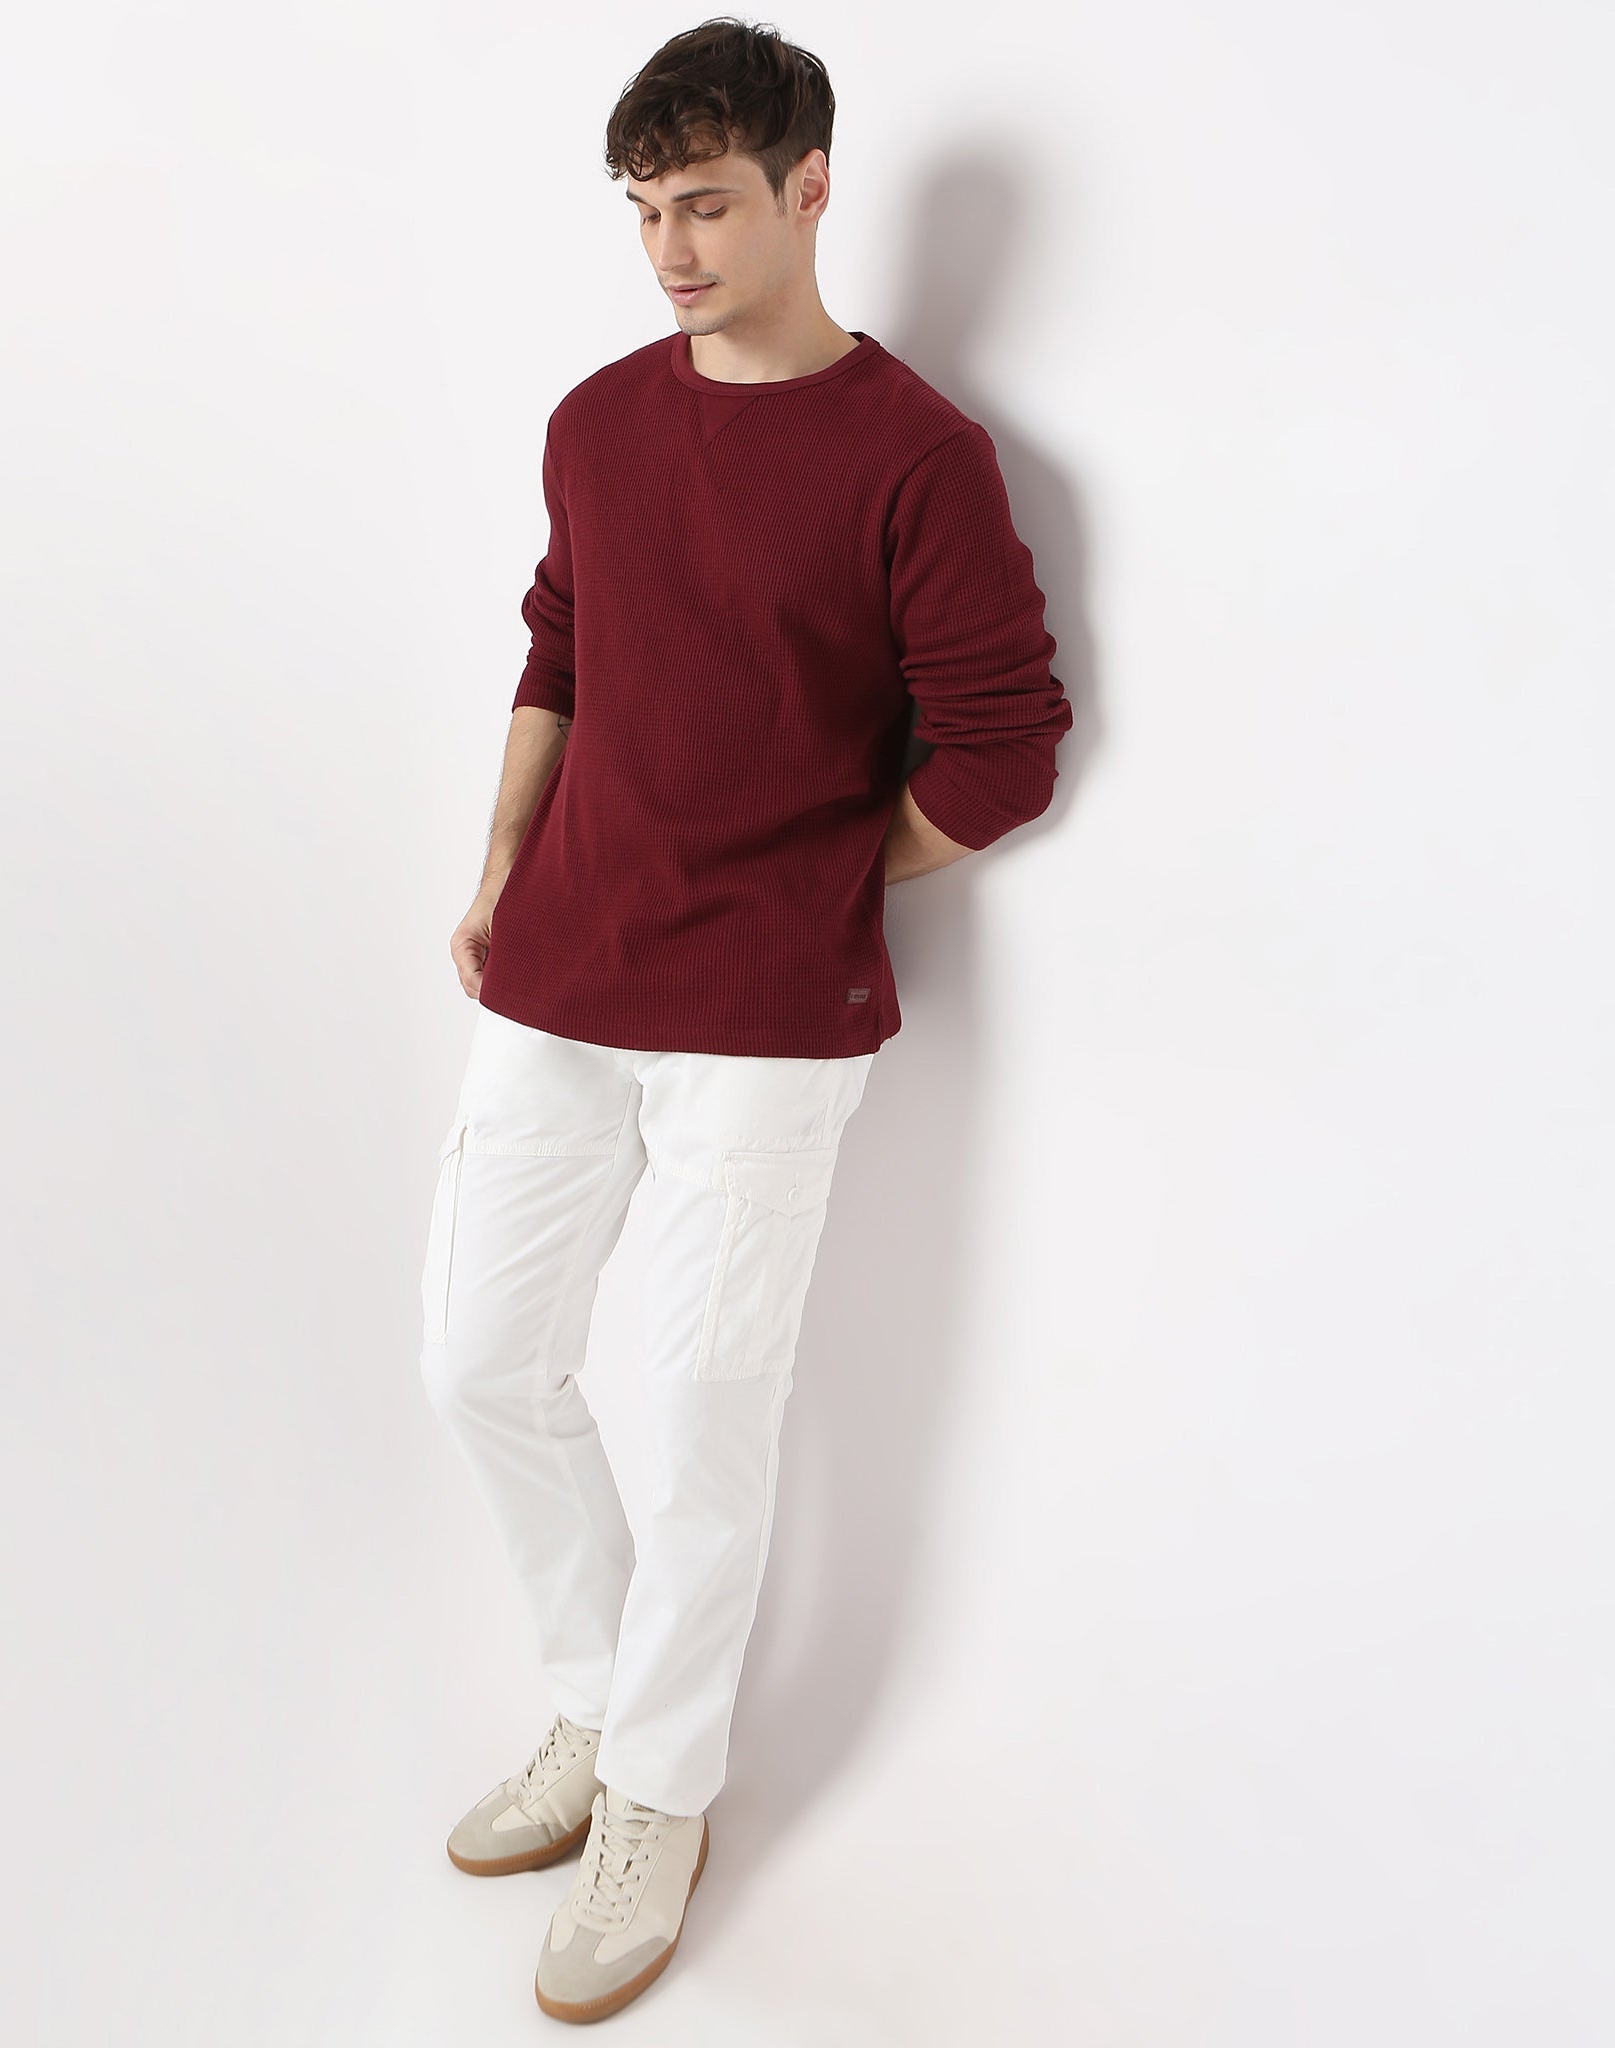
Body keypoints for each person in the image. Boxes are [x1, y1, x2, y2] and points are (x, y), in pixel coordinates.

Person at [416, 17, 1072, 2024]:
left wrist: (814, 874)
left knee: (704, 1410)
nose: (673, 252)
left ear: (810, 189)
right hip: (563, 970)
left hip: (768, 1022)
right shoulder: (598, 421)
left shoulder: (918, 458)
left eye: (706, 205)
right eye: (644, 213)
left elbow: (1007, 747)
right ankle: (604, 1696)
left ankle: (661, 1794)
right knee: (479, 1361)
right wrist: (500, 859)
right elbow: (563, 640)